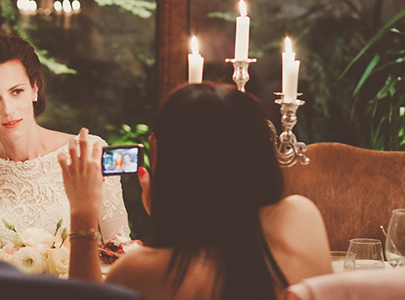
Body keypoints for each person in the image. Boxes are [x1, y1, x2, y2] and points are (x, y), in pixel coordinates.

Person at [59, 83, 332, 300]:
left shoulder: (141, 271)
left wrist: (83, 212)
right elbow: (225, 230)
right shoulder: (302, 217)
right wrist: (169, 216)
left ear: (174, 171)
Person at [0, 34, 130, 245]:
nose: (8, 110)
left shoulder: (90, 151)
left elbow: (119, 246)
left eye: (17, 91)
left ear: (34, 89)